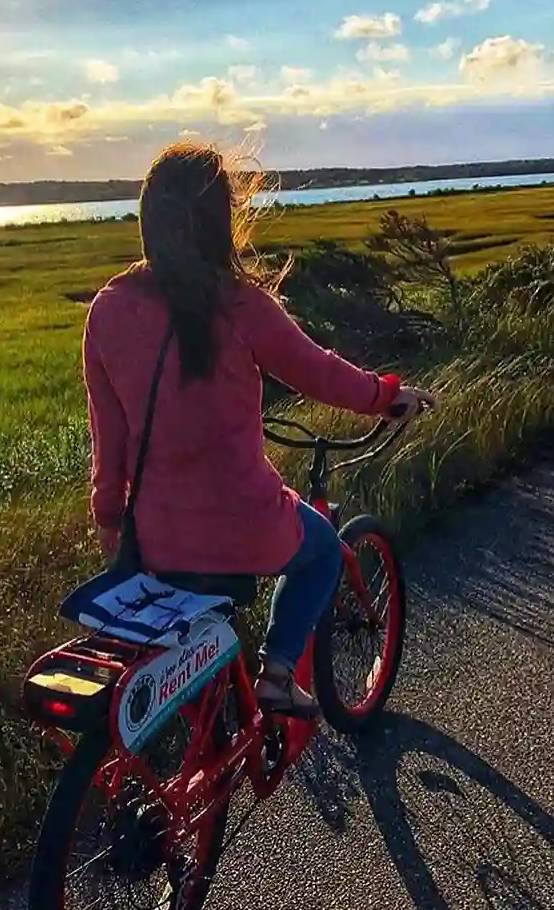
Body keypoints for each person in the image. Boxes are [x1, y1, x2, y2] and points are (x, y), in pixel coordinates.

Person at [82, 141, 437, 719]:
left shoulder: (108, 309)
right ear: (220, 223)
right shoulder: (240, 304)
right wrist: (385, 396)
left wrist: (107, 519)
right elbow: (319, 371)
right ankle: (275, 675)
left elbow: (109, 440)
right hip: (244, 523)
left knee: (189, 664)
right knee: (322, 549)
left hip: (155, 536)